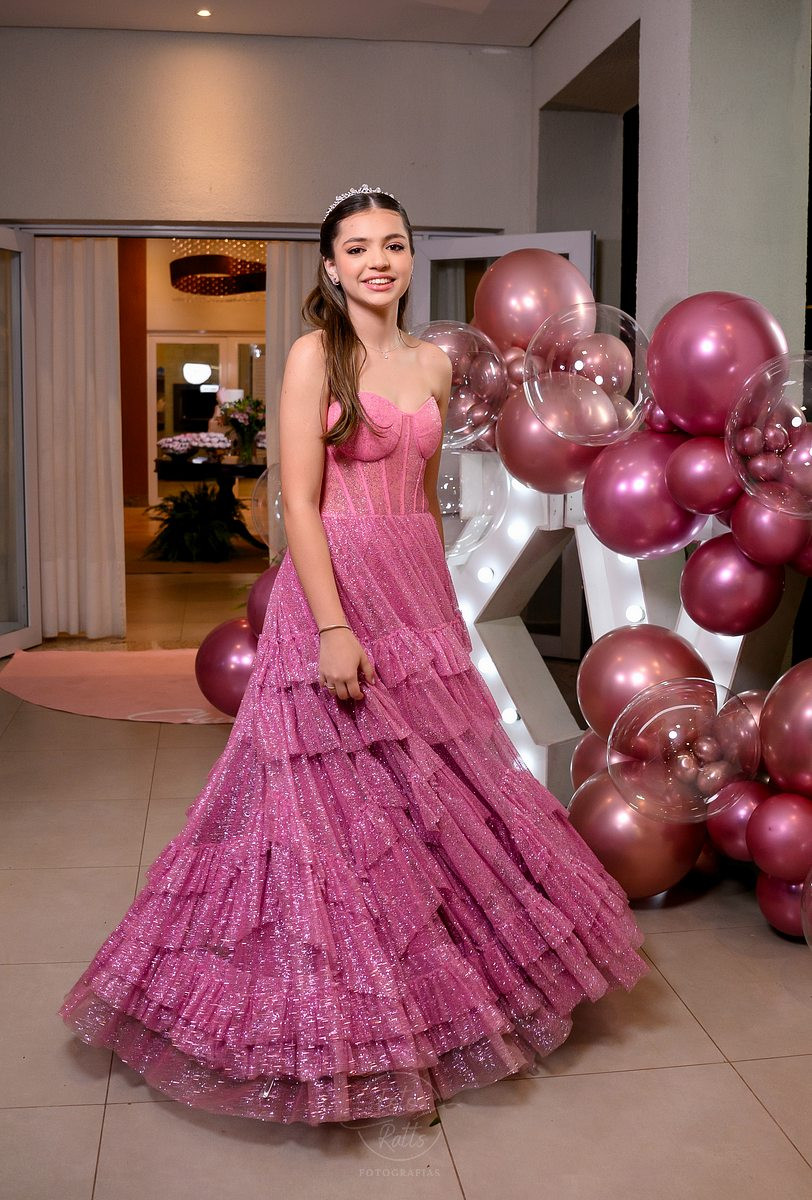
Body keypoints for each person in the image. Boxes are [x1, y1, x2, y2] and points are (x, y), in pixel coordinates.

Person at [57, 185, 649, 1126]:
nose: (379, 260)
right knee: (326, 801)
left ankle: (439, 1007)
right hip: (335, 589)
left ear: (411, 260)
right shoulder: (313, 356)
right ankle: (343, 1023)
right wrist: (333, 627)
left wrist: (439, 608)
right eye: (360, 247)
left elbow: (422, 498)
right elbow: (299, 502)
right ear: (332, 266)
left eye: (395, 244)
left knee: (429, 791)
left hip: (414, 587)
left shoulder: (433, 364)